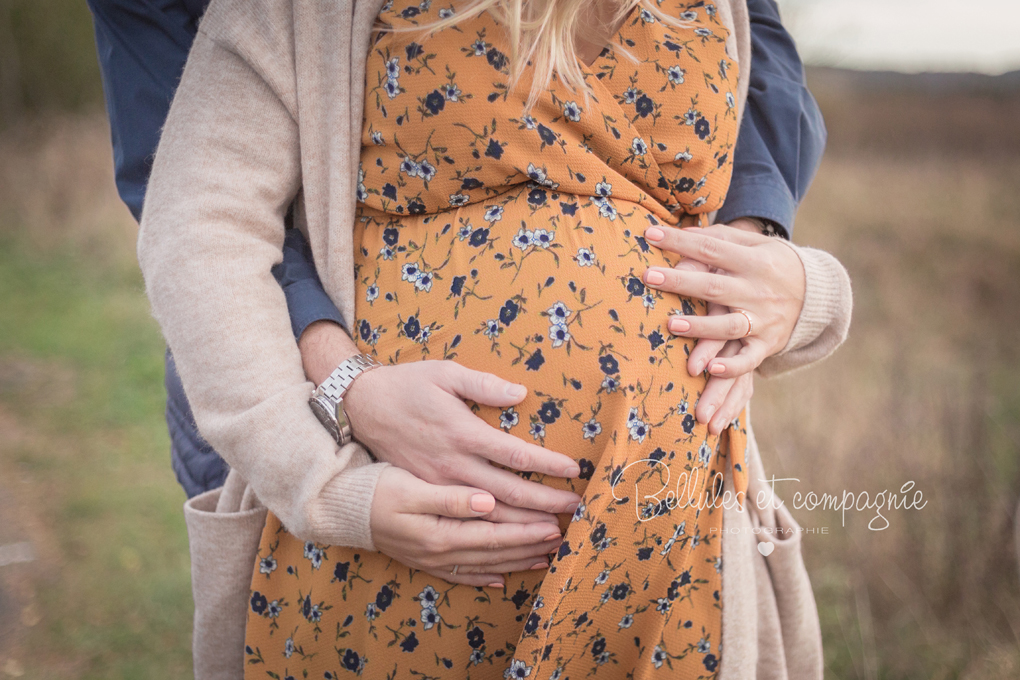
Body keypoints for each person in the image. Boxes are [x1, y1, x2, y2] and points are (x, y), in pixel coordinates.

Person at [135, 0, 852, 678]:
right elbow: (203, 220)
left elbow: (765, 131)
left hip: (658, 558)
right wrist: (324, 481)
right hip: (392, 557)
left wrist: (799, 288)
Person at [86, 0, 826, 501]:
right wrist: (339, 399)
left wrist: (760, 255)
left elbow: (758, 60)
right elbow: (193, 191)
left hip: (658, 534)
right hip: (316, 416)